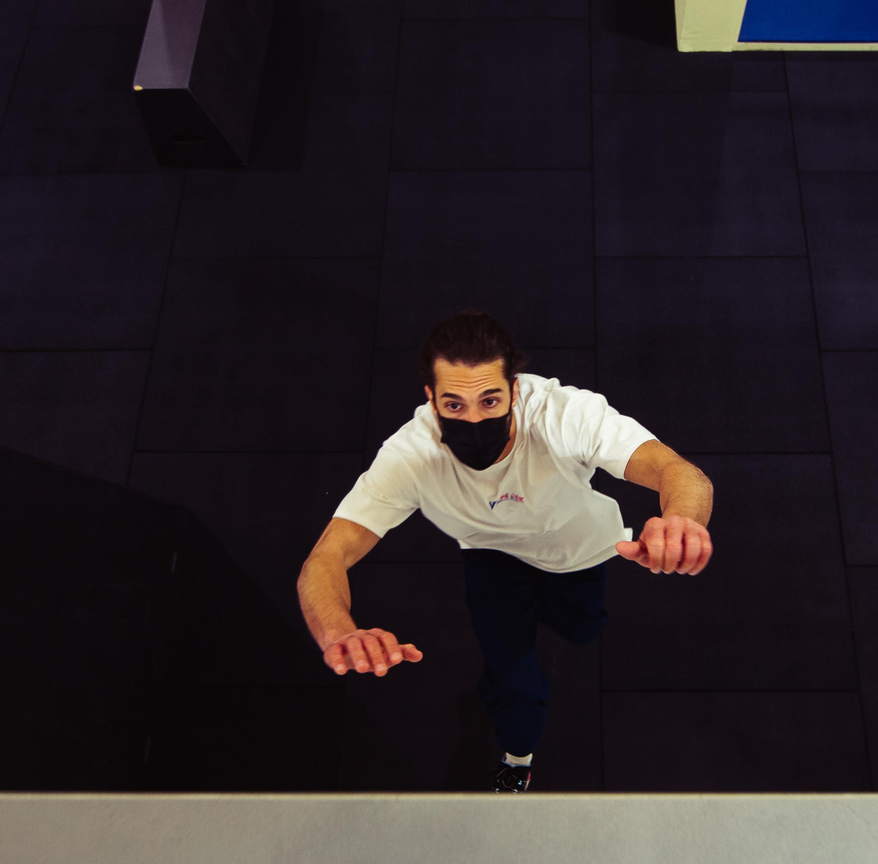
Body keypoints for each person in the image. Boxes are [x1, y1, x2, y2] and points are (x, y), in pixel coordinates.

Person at [296, 310, 714, 792]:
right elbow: (325, 558)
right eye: (454, 405)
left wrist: (683, 520)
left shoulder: (563, 414)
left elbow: (677, 471)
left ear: (515, 390)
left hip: (582, 550)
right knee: (511, 675)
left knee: (580, 627)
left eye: (490, 399)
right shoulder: (410, 455)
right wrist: (336, 633)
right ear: (431, 398)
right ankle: (519, 757)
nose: (474, 419)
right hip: (491, 558)